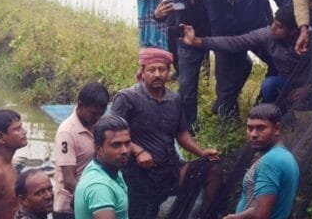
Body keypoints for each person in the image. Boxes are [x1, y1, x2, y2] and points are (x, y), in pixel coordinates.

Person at [111, 47, 223, 218]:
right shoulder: (127, 98)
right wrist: (138, 151)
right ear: (142, 71)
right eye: (151, 69)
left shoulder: (174, 99)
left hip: (171, 170)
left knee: (212, 167)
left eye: (162, 69)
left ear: (169, 72)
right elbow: (112, 133)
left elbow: (182, 134)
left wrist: (202, 152)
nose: (157, 74)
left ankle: (206, 216)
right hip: (140, 175)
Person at [193, 0, 291, 118]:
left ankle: (266, 105)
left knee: (279, 63)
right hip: (225, 33)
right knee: (226, 85)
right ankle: (226, 122)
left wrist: (292, 10)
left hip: (256, 27)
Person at [181, 4, 308, 105]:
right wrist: (198, 41)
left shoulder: (311, 42)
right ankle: (283, 117)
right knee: (269, 85)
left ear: (293, 31)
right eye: (274, 22)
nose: (273, 27)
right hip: (286, 83)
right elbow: (235, 42)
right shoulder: (268, 34)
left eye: (279, 27)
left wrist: (309, 89)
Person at [154, 0, 211, 130]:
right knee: (187, 87)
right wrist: (159, 14)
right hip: (186, 35)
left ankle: (224, 111)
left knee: (235, 71)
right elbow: (163, 1)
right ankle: (188, 127)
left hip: (213, 28)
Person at [225, 104, 300, 219]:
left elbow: (261, 214)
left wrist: (235, 217)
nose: (253, 134)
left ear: (277, 129)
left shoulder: (271, 161)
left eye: (261, 128)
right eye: (250, 128)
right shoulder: (286, 156)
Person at [53, 83, 110, 219]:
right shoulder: (67, 133)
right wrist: (95, 198)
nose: (97, 118)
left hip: (90, 197)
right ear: (80, 105)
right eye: (93, 114)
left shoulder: (97, 123)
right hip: (69, 207)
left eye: (101, 114)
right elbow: (69, 180)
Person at [73, 115, 131, 219]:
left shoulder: (104, 168)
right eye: (116, 145)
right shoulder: (100, 187)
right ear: (99, 150)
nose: (125, 150)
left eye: (127, 143)